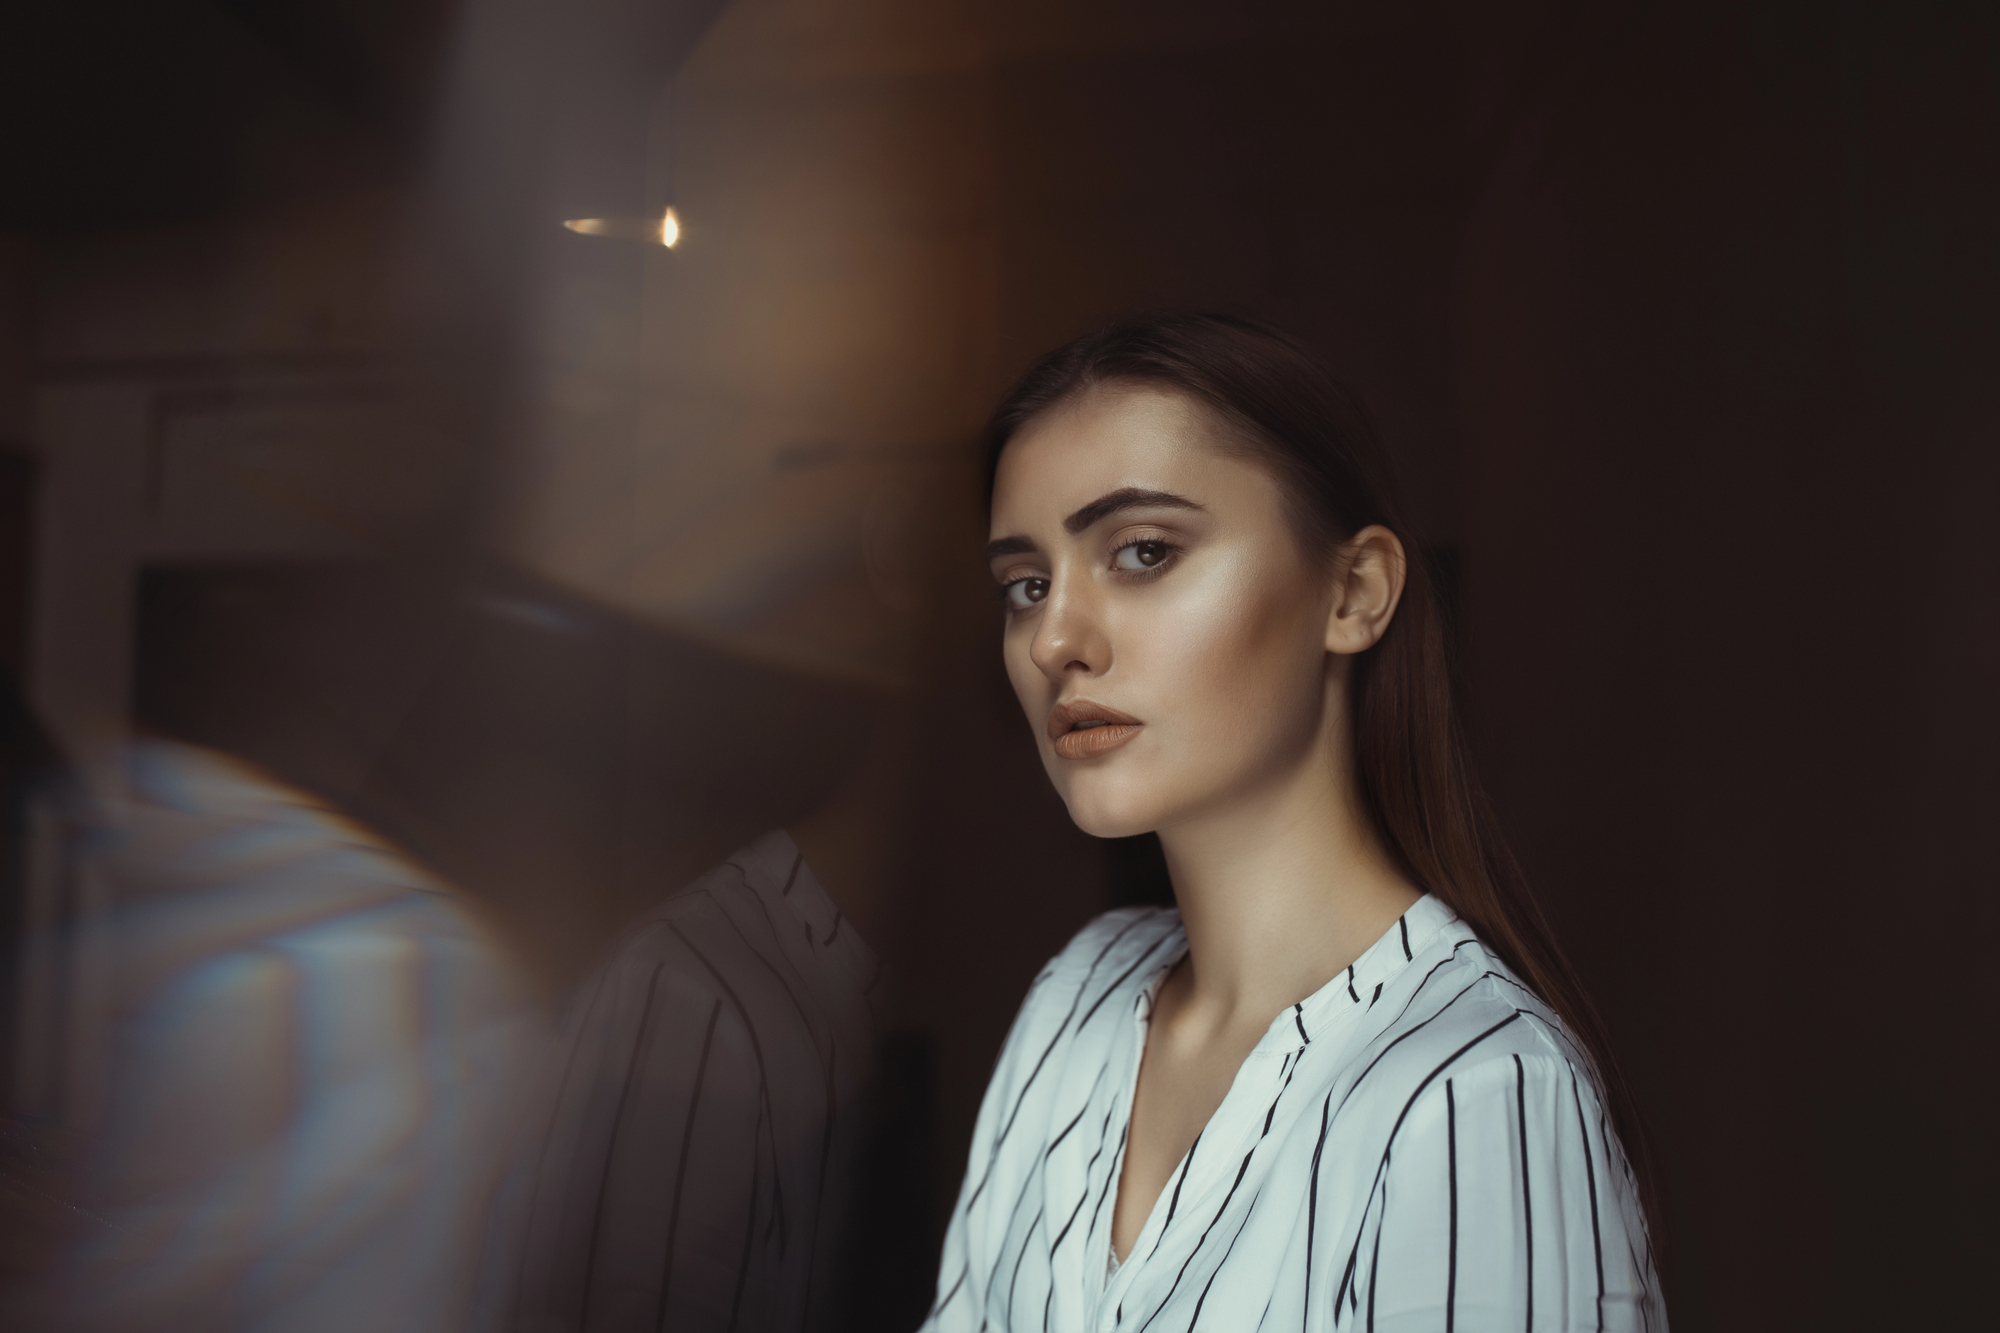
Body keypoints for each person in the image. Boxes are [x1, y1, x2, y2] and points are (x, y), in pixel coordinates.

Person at [921, 314, 1666, 1332]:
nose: (1054, 637)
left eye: (1142, 551)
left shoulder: (1475, 1094)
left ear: (1352, 592)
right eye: (1025, 583)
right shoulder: (1072, 1004)